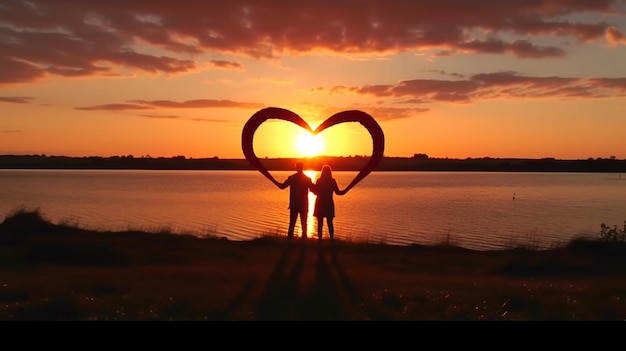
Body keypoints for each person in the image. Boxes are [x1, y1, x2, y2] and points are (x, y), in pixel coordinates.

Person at [277, 161, 315, 239]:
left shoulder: (292, 178)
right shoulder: (307, 179)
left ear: (296, 168)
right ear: (302, 168)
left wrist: (276, 183)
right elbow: (314, 189)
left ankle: (290, 241)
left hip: (295, 204)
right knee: (303, 224)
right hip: (303, 205)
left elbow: (282, 186)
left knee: (292, 224)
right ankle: (304, 241)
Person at [312, 165, 346, 240]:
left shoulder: (319, 180)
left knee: (320, 223)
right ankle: (331, 239)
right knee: (330, 223)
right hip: (328, 203)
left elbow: (316, 192)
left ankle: (320, 239)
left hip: (320, 203)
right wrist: (345, 190)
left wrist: (312, 189)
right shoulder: (332, 181)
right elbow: (338, 192)